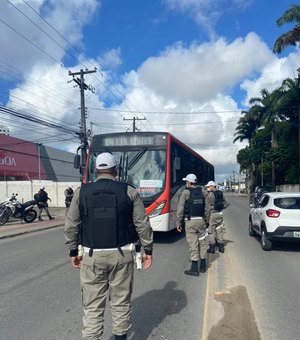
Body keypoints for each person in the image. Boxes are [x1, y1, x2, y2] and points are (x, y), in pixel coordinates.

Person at [64, 152, 153, 340]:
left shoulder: (81, 192)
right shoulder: (129, 191)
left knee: (93, 306)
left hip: (92, 256)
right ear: (115, 169)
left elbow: (71, 224)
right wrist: (148, 249)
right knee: (120, 302)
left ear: (96, 170)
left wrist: (73, 251)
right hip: (122, 256)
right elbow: (142, 223)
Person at [176, 173, 207, 277]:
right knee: (202, 243)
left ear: (189, 182)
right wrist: (206, 220)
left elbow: (180, 209)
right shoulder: (203, 191)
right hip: (201, 221)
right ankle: (203, 266)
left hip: (190, 222)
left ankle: (194, 269)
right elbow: (207, 208)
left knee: (193, 244)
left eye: (186, 182)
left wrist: (178, 222)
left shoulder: (185, 193)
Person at [205, 180, 230, 254]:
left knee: (211, 231)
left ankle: (212, 248)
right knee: (219, 230)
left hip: (212, 214)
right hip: (220, 214)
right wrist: (222, 207)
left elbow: (208, 208)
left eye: (209, 186)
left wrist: (207, 218)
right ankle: (221, 247)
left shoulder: (210, 195)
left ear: (213, 186)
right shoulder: (220, 193)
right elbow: (228, 203)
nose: (208, 188)